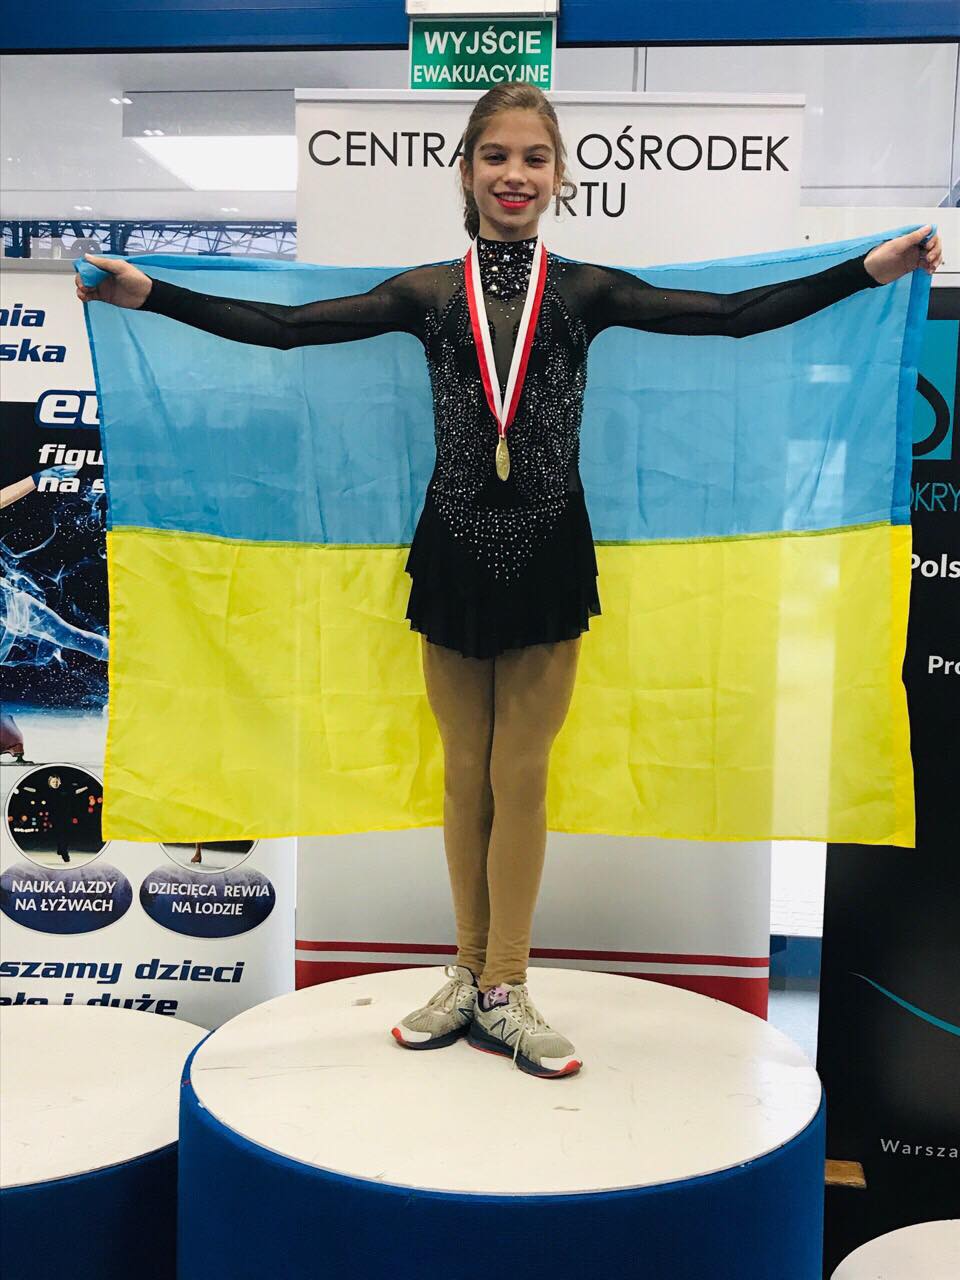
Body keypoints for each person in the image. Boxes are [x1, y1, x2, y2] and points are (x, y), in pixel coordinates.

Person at [76, 83, 941, 1080]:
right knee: (462, 775)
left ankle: (508, 984)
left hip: (547, 554)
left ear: (559, 175)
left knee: (519, 776)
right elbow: (288, 327)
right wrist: (152, 295)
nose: (515, 174)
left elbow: (736, 316)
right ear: (467, 171)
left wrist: (870, 269)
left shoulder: (586, 291)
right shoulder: (426, 292)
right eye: (496, 156)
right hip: (451, 550)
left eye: (534, 157)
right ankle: (467, 971)